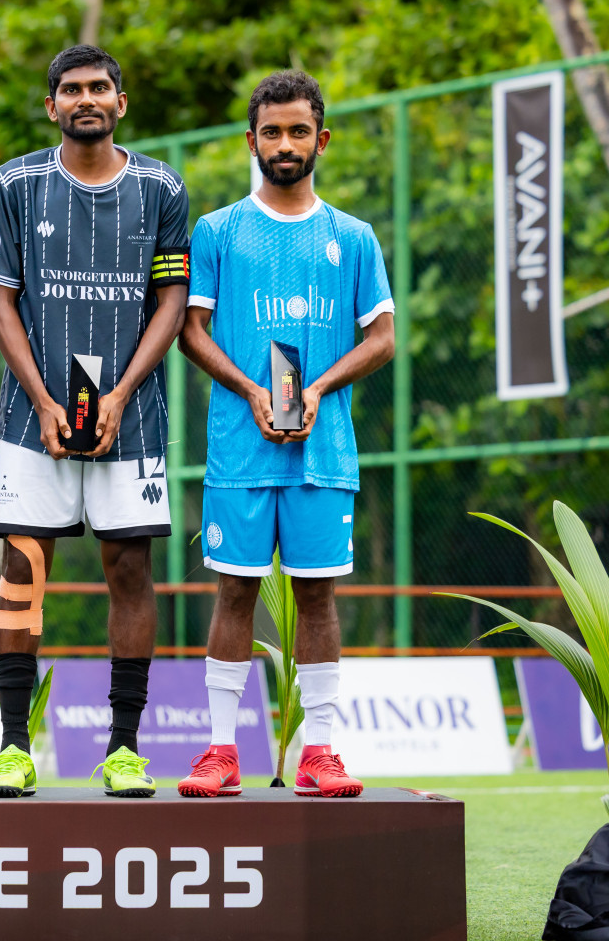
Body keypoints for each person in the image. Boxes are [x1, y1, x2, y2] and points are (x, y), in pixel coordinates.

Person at [0, 45, 190, 800]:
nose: (86, 98)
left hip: (131, 418)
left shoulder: (161, 186)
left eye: (99, 87)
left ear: (121, 102)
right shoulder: (15, 183)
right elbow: (1, 300)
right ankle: (11, 745)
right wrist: (39, 397)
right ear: (52, 105)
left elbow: (169, 302)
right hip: (33, 415)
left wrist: (125, 391)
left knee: (128, 571)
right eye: (71, 89)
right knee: (22, 571)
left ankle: (124, 748)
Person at [177, 70, 394, 798]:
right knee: (233, 593)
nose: (285, 143)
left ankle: (320, 753)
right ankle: (219, 752)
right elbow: (190, 330)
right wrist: (251, 390)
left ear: (321, 139)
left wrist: (321, 388)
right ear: (251, 141)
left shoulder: (353, 238)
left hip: (322, 451)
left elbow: (384, 337)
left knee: (319, 598)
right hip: (241, 449)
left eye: (299, 130)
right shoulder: (218, 230)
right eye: (271, 131)